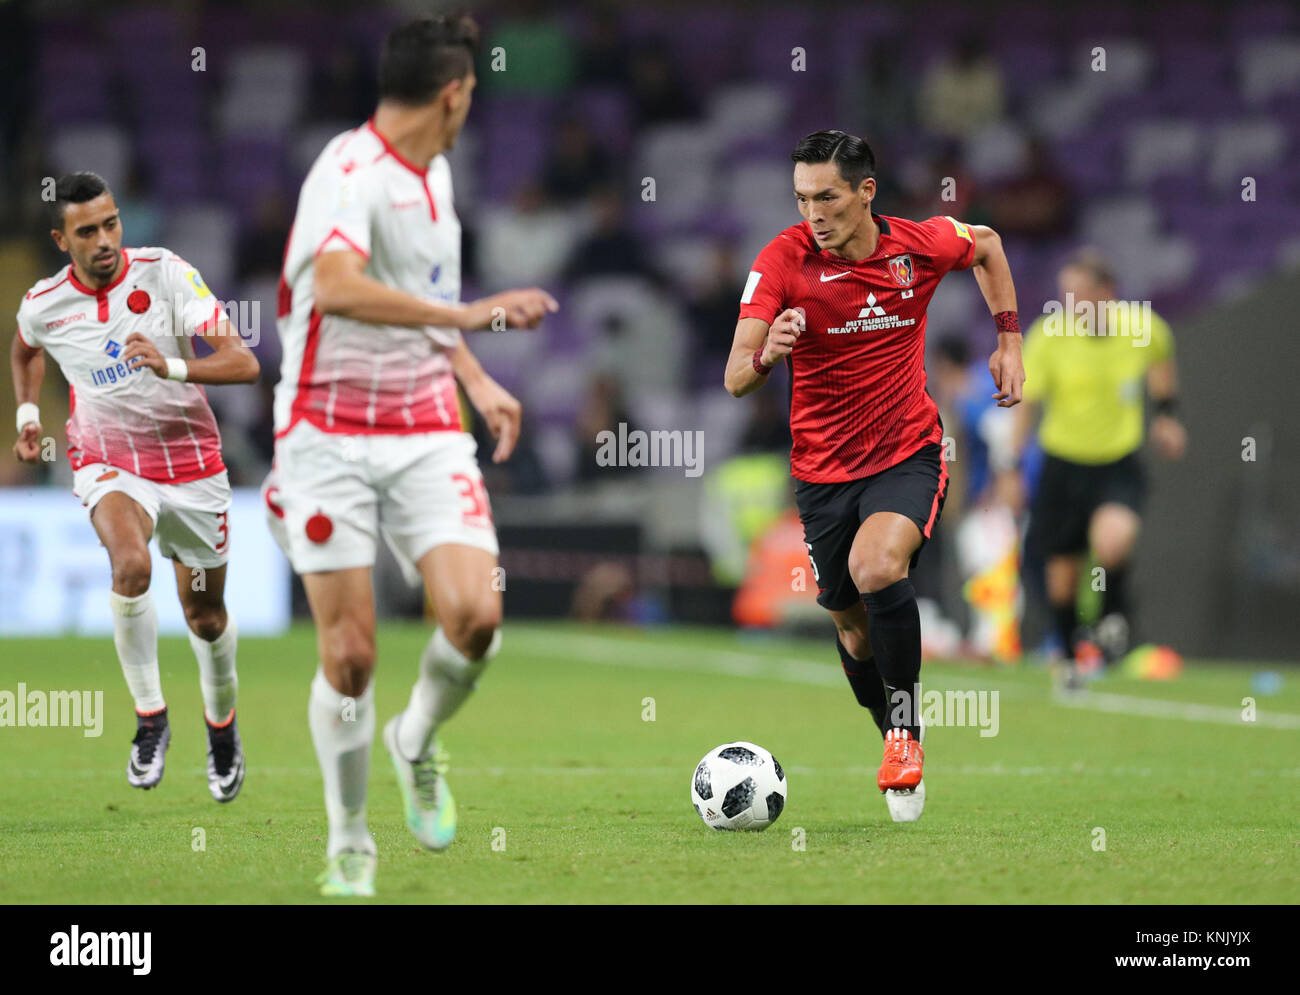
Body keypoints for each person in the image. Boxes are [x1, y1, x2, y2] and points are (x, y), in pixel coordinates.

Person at [264, 13, 557, 897]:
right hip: (326, 432)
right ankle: (350, 837)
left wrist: (471, 372)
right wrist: (470, 321)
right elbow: (343, 287)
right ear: (454, 92)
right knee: (350, 655)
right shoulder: (348, 172)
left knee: (475, 615)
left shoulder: (436, 174)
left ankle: (415, 739)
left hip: (425, 424)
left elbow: (420, 295)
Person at [723, 130, 1025, 823]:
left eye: (826, 196)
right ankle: (893, 729)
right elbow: (736, 377)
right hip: (822, 473)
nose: (813, 214)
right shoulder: (782, 261)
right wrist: (768, 352)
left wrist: (1008, 339)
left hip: (907, 451)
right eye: (802, 198)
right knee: (854, 631)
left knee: (878, 564)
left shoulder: (916, 247)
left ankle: (904, 735)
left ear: (866, 193)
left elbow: (987, 244)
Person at [11, 171, 259, 802]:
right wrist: (29, 416)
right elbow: (24, 350)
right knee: (129, 567)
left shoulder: (166, 273)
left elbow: (244, 361)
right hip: (110, 462)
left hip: (193, 465)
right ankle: (151, 719)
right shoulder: (43, 304)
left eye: (111, 223)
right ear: (61, 239)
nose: (104, 240)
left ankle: (222, 729)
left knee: (205, 616)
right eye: (87, 230)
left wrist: (172, 363)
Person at [1000, 249, 1186, 685]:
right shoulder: (1049, 336)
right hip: (1063, 464)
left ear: (1107, 293)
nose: (1071, 302)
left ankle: (1110, 624)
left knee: (1114, 540)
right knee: (1062, 576)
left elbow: (1161, 368)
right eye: (1066, 293)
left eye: (1080, 293)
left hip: (1117, 462)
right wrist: (1010, 467)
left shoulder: (1144, 329)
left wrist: (1166, 417)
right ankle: (1068, 658)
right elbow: (1027, 407)